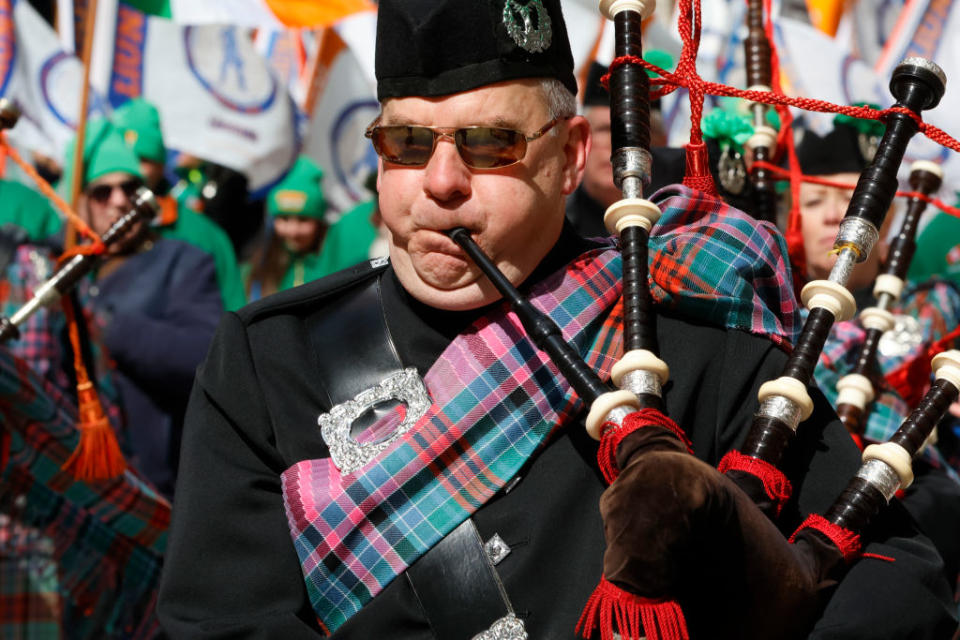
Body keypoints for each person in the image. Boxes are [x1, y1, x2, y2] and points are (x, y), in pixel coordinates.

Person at [158, 1, 956, 638]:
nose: (440, 183)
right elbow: (222, 621)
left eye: (487, 144)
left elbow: (897, 575)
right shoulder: (269, 360)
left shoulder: (702, 344)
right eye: (406, 141)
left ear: (573, 154)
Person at [790, 118, 960, 587]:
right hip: (810, 495)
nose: (830, 216)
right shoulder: (780, 312)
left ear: (885, 214)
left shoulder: (937, 305)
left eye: (848, 199)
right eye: (813, 200)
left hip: (917, 499)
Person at [61, 118, 223, 497]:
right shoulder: (55, 265)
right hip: (65, 468)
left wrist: (113, 329)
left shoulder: (182, 262)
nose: (120, 201)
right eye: (103, 191)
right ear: (79, 202)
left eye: (131, 188)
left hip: (149, 477)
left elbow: (205, 357)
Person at [113, 98, 247, 311]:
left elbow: (233, 315)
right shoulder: (85, 221)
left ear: (160, 165)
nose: (132, 170)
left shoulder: (203, 235)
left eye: (144, 159)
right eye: (123, 157)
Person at [244, 155, 329, 300]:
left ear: (319, 223)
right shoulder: (253, 273)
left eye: (303, 220)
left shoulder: (334, 265)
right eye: (284, 219)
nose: (293, 230)